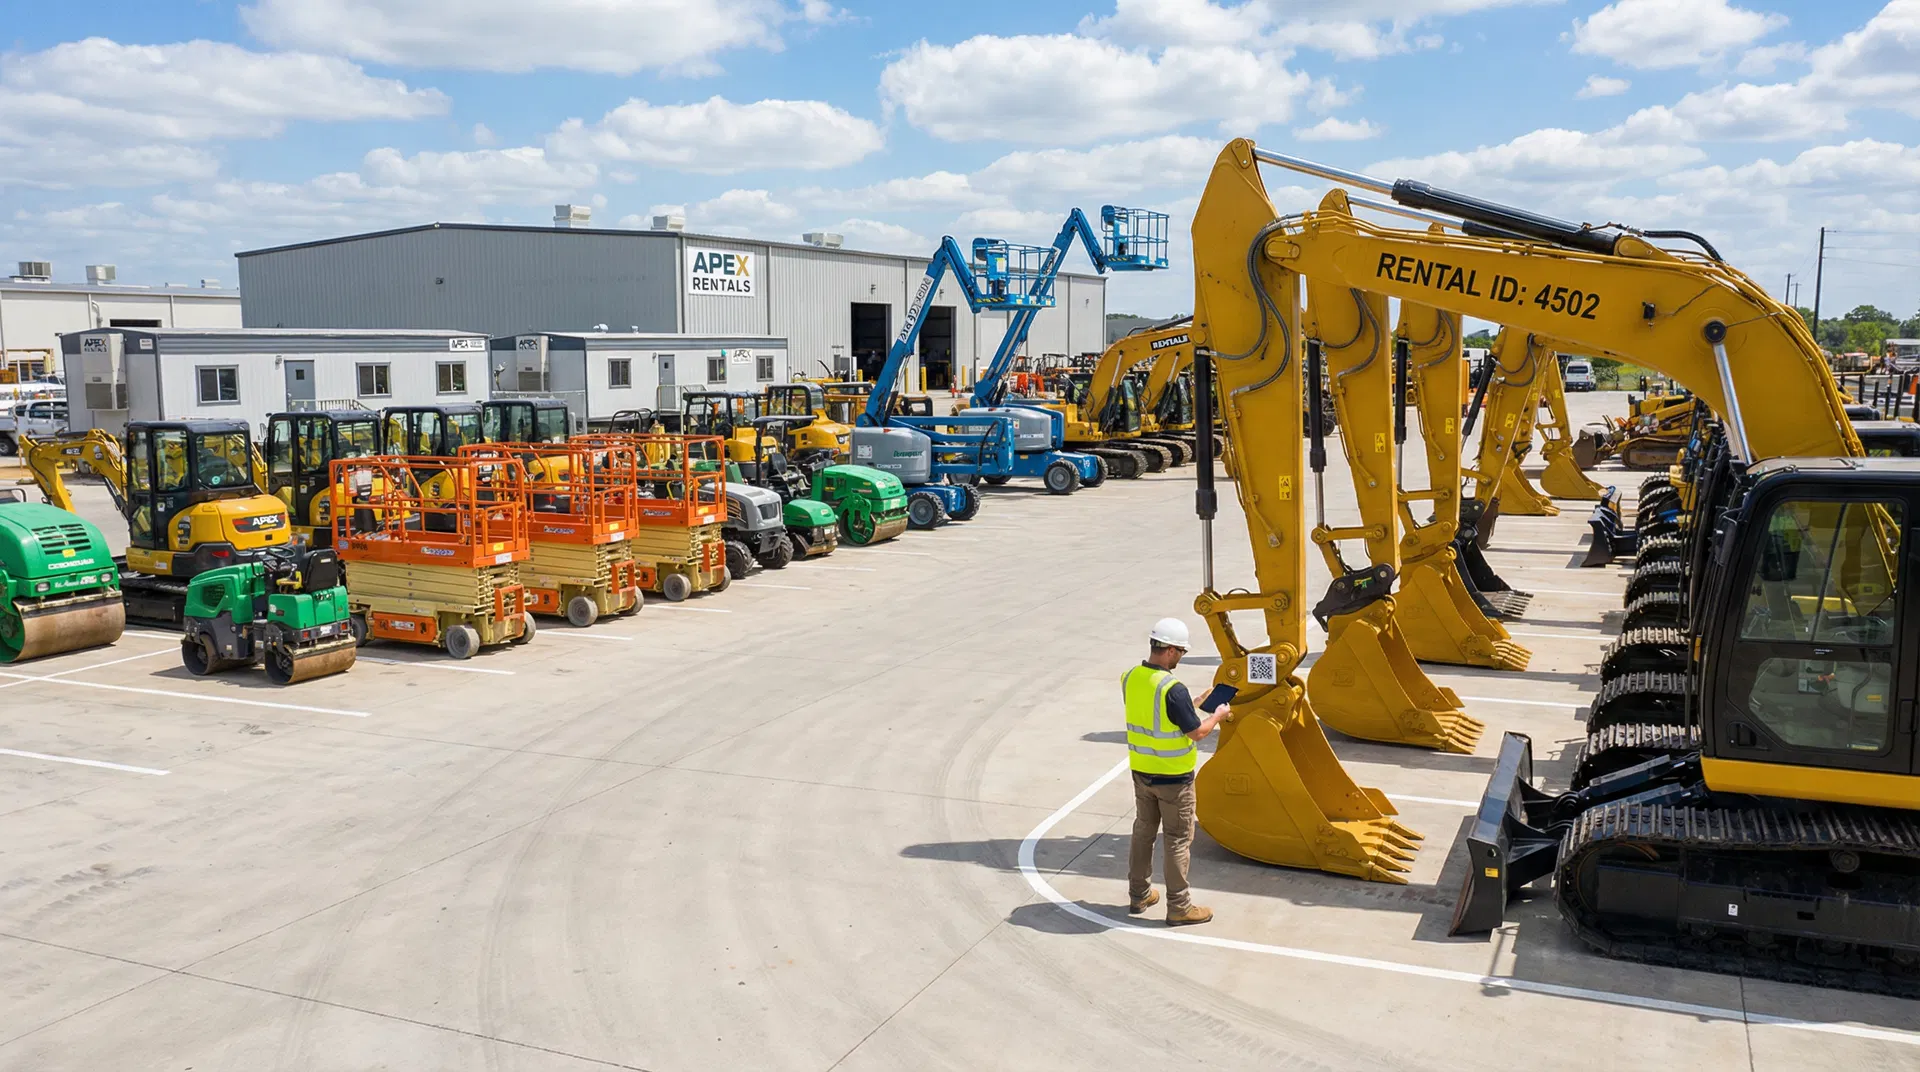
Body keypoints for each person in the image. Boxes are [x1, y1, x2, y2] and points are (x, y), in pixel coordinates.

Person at [1125, 617, 1229, 925]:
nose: (1181, 657)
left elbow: (1155, 715)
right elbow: (1196, 733)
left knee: (1143, 833)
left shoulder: (1130, 678)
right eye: (1181, 652)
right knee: (1177, 840)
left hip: (1142, 772)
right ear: (1170, 650)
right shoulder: (1173, 688)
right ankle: (1179, 906)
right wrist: (1218, 715)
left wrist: (1192, 704)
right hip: (1174, 780)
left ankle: (1139, 895)